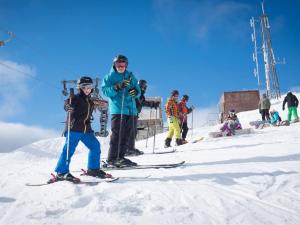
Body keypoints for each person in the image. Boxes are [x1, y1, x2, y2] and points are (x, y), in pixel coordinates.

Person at [52, 76, 111, 183]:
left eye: (89, 87)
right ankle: (61, 172)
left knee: (95, 146)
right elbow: (67, 103)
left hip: (86, 131)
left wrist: (104, 104)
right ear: (79, 88)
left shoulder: (90, 100)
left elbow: (100, 104)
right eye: (84, 87)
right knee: (68, 150)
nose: (87, 89)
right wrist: (68, 106)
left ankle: (93, 169)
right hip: (74, 129)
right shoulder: (75, 98)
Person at [101, 54, 141, 167]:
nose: (120, 66)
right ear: (114, 64)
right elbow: (105, 91)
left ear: (126, 65)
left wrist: (135, 92)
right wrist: (117, 87)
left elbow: (138, 91)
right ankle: (112, 158)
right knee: (117, 134)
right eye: (118, 64)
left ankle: (121, 157)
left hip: (131, 110)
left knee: (127, 135)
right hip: (118, 109)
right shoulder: (109, 77)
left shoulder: (130, 76)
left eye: (123, 64)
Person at [126, 79, 160, 156]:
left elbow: (141, 102)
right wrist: (153, 104)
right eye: (144, 86)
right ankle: (128, 149)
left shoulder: (139, 92)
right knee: (131, 132)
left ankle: (130, 148)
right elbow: (142, 102)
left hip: (134, 114)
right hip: (131, 114)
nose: (145, 88)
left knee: (133, 131)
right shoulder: (138, 92)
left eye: (145, 86)